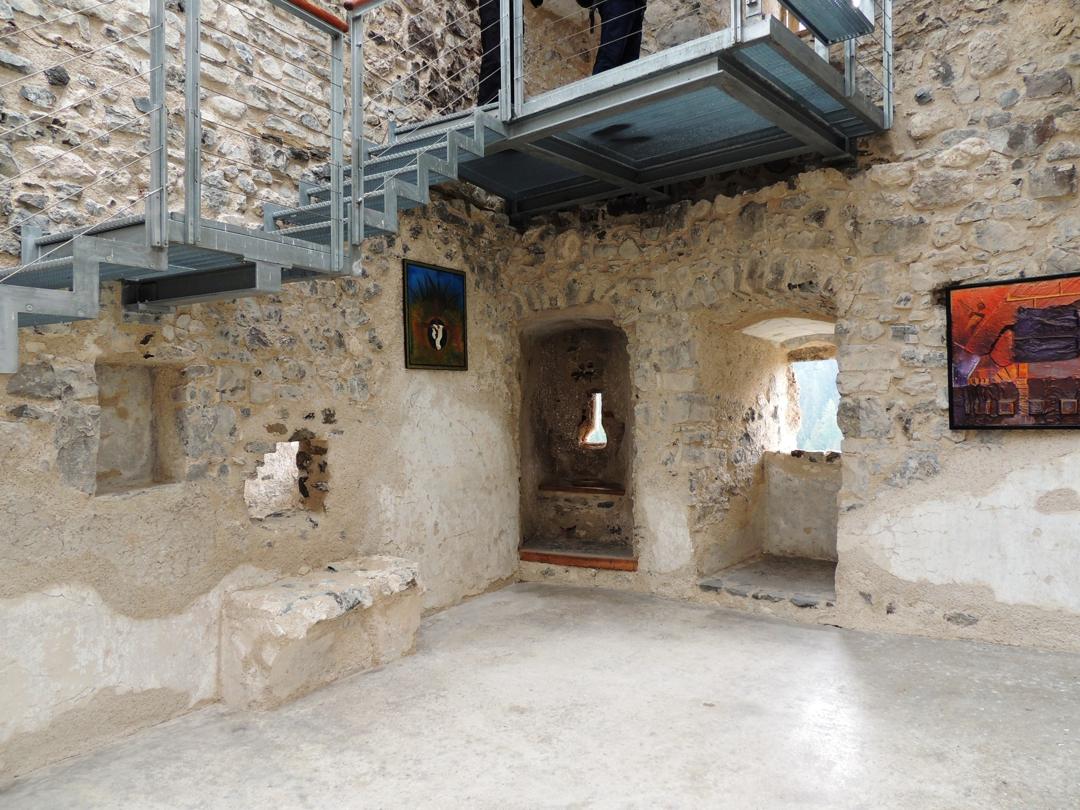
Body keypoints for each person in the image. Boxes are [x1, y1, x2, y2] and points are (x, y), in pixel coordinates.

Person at [477, 0, 543, 106]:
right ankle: (490, 103)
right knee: (495, 55)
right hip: (495, 4)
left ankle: (511, 100)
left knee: (513, 58)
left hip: (514, 6)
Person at [592, 0, 646, 75]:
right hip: (618, 2)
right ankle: (600, 81)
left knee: (630, 62)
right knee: (610, 56)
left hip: (638, 4)